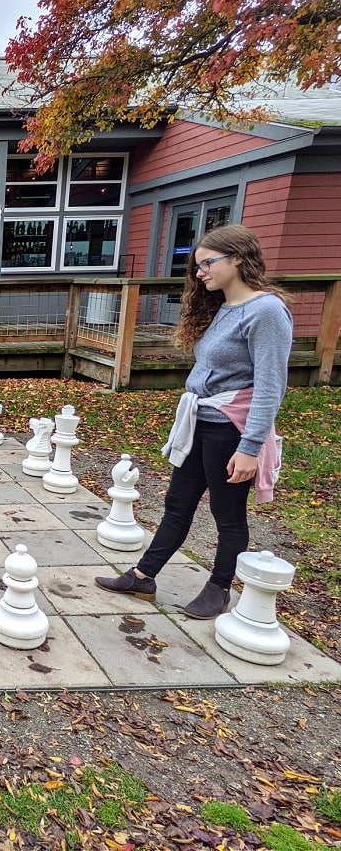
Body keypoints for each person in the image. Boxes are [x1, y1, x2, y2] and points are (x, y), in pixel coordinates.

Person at [95, 225, 293, 619]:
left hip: (230, 428)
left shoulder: (267, 311)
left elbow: (271, 387)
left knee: (227, 513)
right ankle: (143, 575)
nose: (200, 273)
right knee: (177, 504)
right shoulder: (223, 307)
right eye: (198, 266)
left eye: (207, 264)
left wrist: (249, 449)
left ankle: (219, 588)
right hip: (201, 421)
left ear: (238, 258)